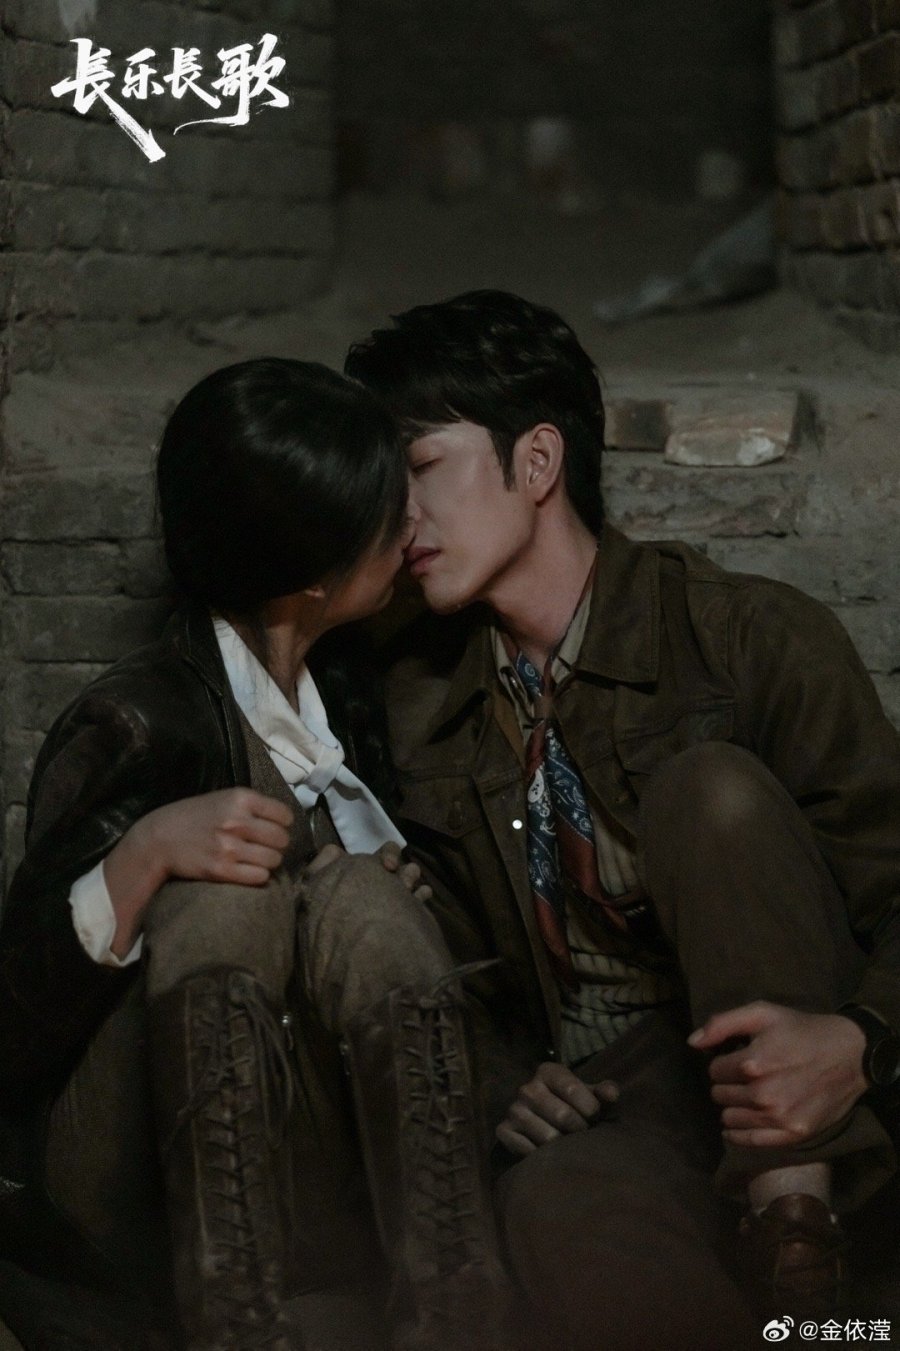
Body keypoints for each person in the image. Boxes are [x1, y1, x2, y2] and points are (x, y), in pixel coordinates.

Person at [345, 290, 900, 1350]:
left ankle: (800, 1243)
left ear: (537, 461)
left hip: (822, 1101)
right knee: (555, 1202)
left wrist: (863, 1042)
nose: (399, 517)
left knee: (709, 792)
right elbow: (453, 955)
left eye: (420, 469)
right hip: (626, 1105)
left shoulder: (747, 637)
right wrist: (505, 1083)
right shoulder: (418, 698)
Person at [0, 359, 509, 1351]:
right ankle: (232, 1323)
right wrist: (145, 853)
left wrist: (385, 898)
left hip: (310, 1149)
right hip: (131, 1181)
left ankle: (454, 1315)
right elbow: (13, 1034)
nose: (414, 521)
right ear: (311, 575)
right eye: (389, 510)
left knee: (363, 896)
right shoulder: (140, 724)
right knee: (226, 898)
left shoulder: (346, 689)